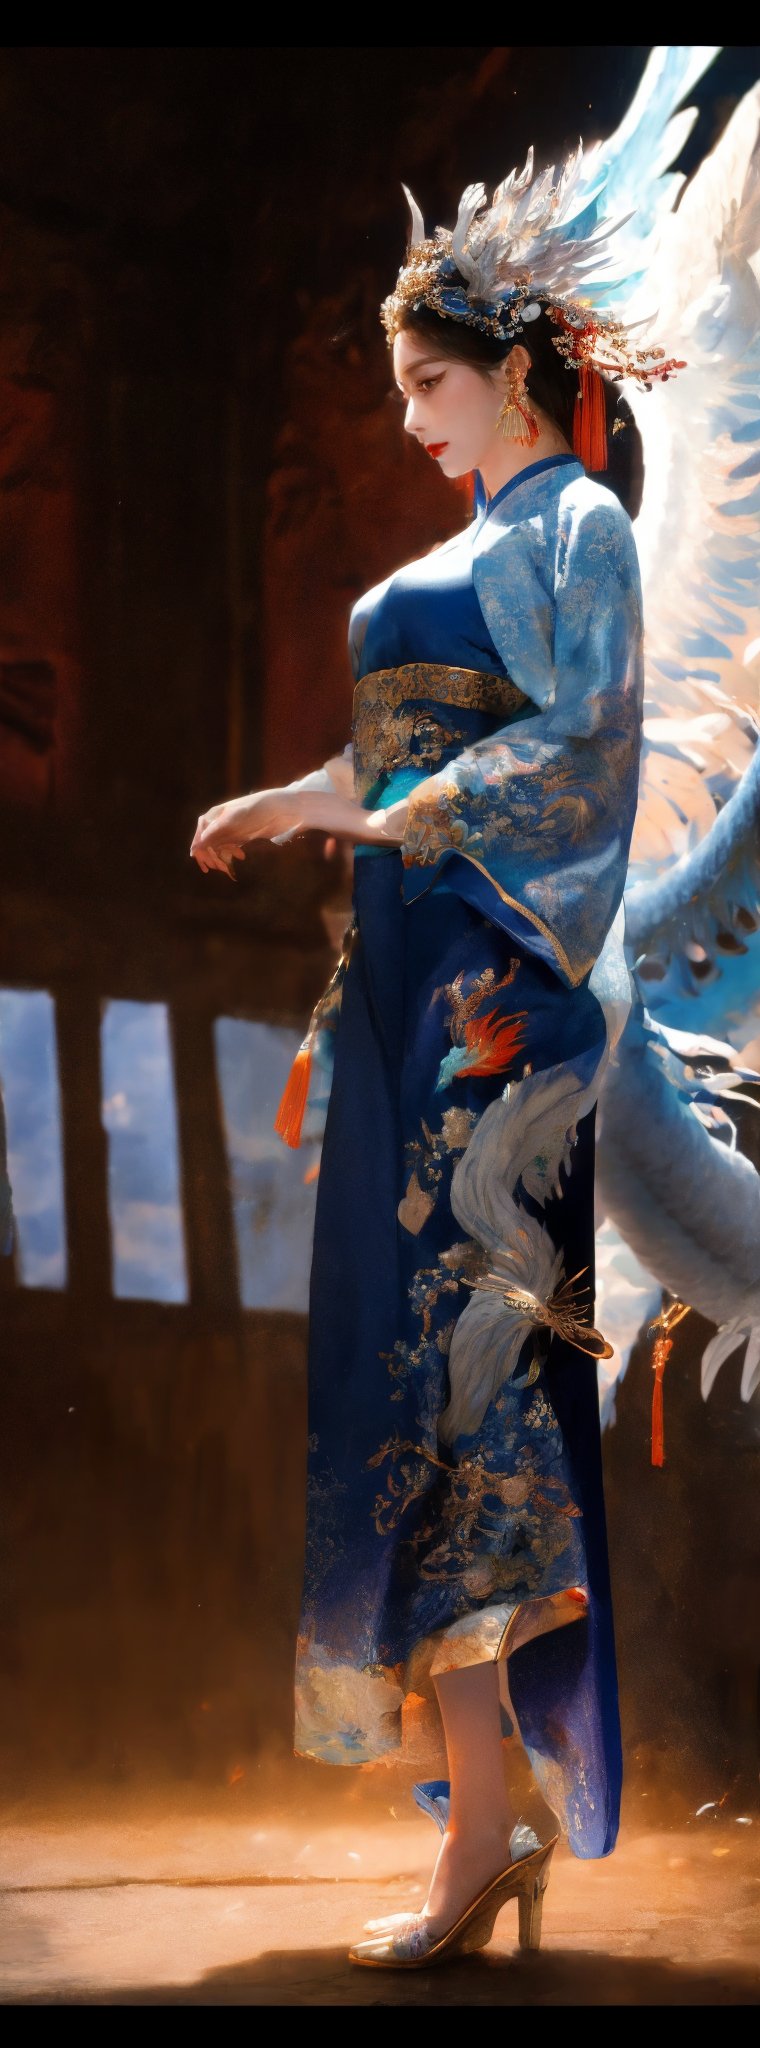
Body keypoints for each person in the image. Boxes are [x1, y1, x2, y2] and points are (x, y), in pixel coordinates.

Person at [191, 49, 760, 1970]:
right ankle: (485, 1819)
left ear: (509, 368)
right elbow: (410, 761)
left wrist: (411, 825)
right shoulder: (473, 553)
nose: (413, 424)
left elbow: (581, 762)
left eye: (428, 387)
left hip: (495, 1019)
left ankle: (488, 1839)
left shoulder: (582, 530)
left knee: (478, 1379)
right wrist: (296, 804)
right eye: (402, 395)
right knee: (400, 1384)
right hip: (402, 1002)